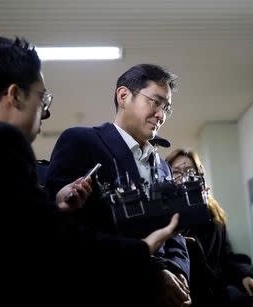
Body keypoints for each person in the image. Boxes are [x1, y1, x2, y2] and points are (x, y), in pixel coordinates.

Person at [0, 37, 180, 305]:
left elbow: (12, 227)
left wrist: (56, 209)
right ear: (14, 95)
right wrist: (142, 248)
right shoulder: (1, 141)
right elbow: (52, 239)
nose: (44, 113)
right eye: (42, 98)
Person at [46, 64, 191, 307]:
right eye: (155, 102)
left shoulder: (163, 167)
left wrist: (177, 272)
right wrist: (152, 274)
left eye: (166, 107)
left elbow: (174, 233)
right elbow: (68, 230)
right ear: (123, 96)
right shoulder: (82, 142)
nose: (161, 114)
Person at [167, 149, 253, 307]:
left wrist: (243, 276)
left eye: (189, 171)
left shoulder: (212, 210)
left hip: (218, 283)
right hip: (189, 286)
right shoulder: (165, 212)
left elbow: (225, 256)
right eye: (176, 172)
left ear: (199, 175)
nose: (183, 176)